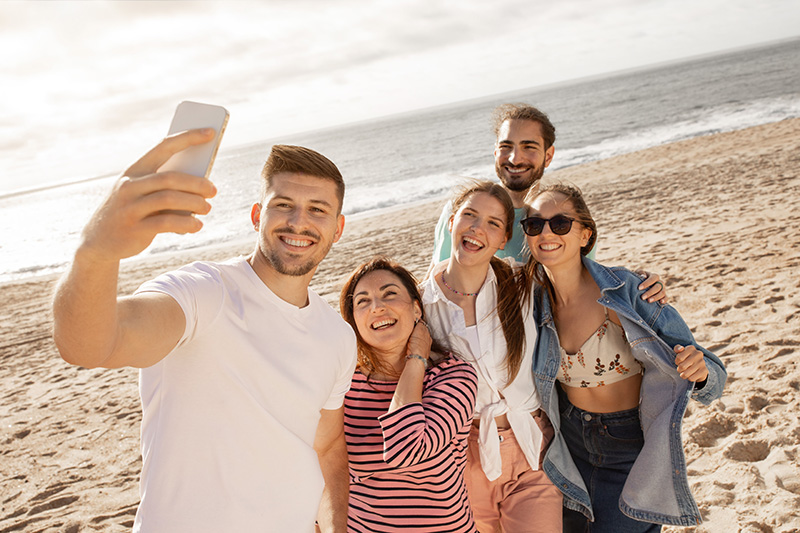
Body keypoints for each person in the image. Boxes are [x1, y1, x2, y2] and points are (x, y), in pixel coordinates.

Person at [52, 129, 357, 532]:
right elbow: (91, 346)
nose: (299, 222)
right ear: (256, 217)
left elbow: (328, 443)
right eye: (283, 205)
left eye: (318, 209)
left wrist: (336, 525)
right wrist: (96, 252)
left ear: (337, 228)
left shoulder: (337, 336)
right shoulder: (203, 292)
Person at [521, 183, 727, 532]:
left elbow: (712, 375)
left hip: (628, 444)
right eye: (534, 224)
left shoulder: (627, 290)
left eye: (560, 224)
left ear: (585, 234)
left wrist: (700, 371)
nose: (546, 232)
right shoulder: (531, 299)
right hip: (568, 444)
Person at [421, 181, 563, 532]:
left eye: (492, 223)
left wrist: (638, 286)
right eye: (469, 215)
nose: (476, 228)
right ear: (451, 222)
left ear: (503, 239)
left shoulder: (522, 282)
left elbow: (582, 284)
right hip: (462, 457)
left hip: (533, 449)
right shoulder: (420, 305)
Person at [339, 257, 478, 532]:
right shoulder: (343, 382)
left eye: (389, 294)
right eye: (363, 301)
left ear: (416, 309)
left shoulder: (454, 376)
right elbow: (323, 468)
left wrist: (416, 359)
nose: (377, 307)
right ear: (354, 321)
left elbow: (407, 449)